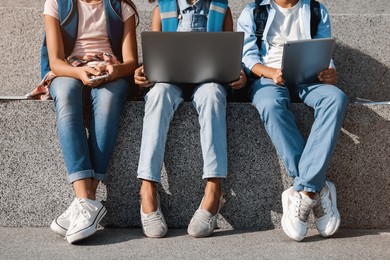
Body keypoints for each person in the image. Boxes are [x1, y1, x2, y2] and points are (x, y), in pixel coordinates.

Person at [134, 0, 247, 238]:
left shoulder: (220, 8)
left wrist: (239, 73)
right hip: (169, 80)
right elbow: (154, 55)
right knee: (158, 95)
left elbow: (230, 55)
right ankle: (147, 188)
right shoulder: (162, 8)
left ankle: (214, 190)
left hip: (208, 80)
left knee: (213, 95)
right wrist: (144, 72)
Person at [237, 0, 348, 241]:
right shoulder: (253, 11)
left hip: (309, 78)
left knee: (336, 98)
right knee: (269, 103)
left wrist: (329, 71)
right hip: (268, 78)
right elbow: (247, 58)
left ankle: (304, 191)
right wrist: (271, 73)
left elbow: (325, 52)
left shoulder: (317, 10)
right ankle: (317, 188)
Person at [39, 0, 139, 244]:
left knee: (107, 102)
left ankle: (84, 202)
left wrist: (115, 71)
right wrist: (81, 73)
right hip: (68, 69)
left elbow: (131, 62)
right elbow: (55, 61)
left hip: (109, 68)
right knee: (65, 97)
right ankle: (87, 198)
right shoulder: (56, 4)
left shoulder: (121, 7)